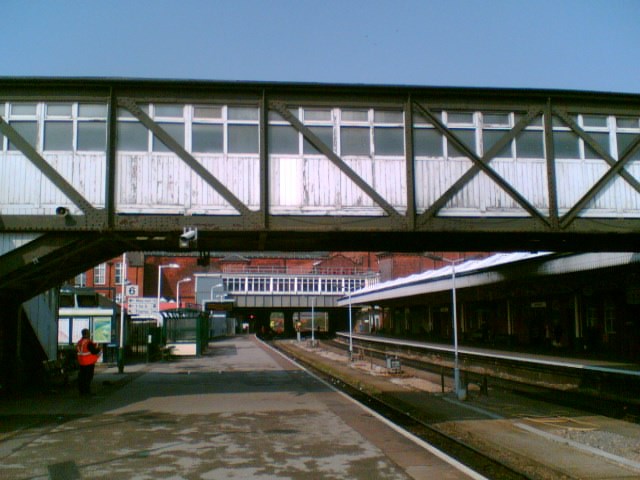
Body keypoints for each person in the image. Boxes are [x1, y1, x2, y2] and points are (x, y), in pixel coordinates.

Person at [76, 328, 101, 396]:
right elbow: (94, 351)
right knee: (88, 377)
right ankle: (87, 391)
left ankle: (81, 391)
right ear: (87, 334)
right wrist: (98, 349)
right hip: (88, 362)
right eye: (88, 333)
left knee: (82, 377)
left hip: (81, 362)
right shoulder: (88, 342)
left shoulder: (79, 342)